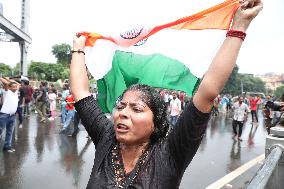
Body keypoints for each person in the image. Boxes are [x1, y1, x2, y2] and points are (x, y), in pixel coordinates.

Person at [70, 0, 262, 188]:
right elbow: (81, 93)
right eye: (120, 106)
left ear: (156, 123)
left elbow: (208, 92)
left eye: (136, 108)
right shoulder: (106, 138)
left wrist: (240, 25)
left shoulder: (170, 153)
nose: (123, 113)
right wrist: (78, 47)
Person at [0, 77, 20, 152]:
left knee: (9, 132)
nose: (15, 88)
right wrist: (2, 78)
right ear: (9, 87)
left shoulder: (16, 92)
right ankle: (7, 146)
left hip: (13, 115)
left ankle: (7, 146)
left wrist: (10, 81)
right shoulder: (7, 91)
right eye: (13, 87)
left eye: (15, 87)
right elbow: (5, 83)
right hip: (4, 115)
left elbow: (18, 84)